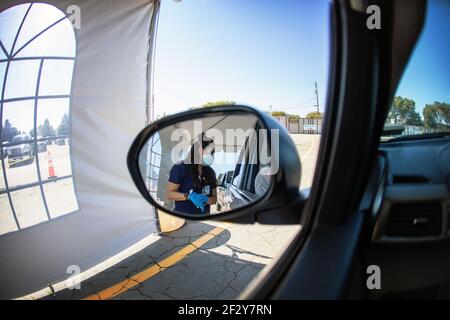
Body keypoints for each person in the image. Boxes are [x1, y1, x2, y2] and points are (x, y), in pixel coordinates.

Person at [166, 135, 217, 214]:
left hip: (204, 219)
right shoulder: (181, 167)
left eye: (211, 152)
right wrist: (188, 196)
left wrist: (206, 199)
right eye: (207, 151)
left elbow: (214, 199)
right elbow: (169, 194)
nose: (210, 154)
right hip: (184, 218)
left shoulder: (210, 172)